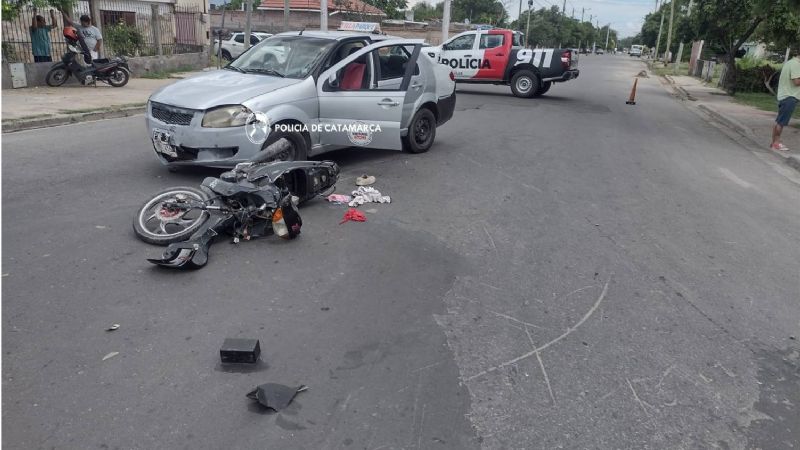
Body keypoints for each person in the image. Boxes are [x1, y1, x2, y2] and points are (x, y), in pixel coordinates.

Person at [771, 48, 800, 151]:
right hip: (790, 97)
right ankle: (777, 143)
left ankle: (773, 143)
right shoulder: (796, 64)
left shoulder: (790, 62)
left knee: (779, 120)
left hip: (785, 96)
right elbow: (796, 82)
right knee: (782, 122)